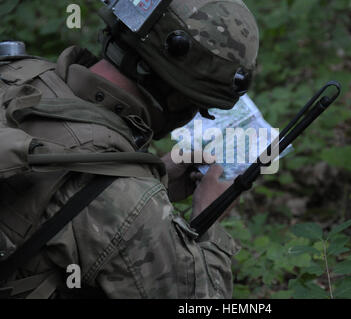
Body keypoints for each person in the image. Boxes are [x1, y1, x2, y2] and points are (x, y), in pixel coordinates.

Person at [0, 0, 259, 298]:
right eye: (197, 106)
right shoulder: (125, 198)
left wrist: (150, 181)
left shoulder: (17, 72)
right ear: (176, 95)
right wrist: (209, 218)